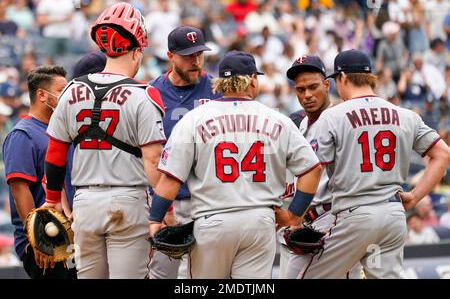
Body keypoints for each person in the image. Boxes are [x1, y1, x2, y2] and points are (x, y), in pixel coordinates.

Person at [149, 50, 322, 279]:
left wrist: (155, 219)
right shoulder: (277, 119)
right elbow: (312, 169)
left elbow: (170, 179)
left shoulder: (194, 118)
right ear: (252, 80)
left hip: (211, 222)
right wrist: (293, 215)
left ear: (221, 83)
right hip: (259, 222)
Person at [299, 49, 450, 279]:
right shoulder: (405, 114)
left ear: (343, 78)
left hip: (353, 215)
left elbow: (312, 168)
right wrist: (416, 195)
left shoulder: (332, 116)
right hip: (392, 216)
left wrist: (294, 216)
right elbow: (443, 155)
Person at [42, 2, 166, 279]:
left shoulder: (71, 90)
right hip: (128, 200)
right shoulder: (144, 94)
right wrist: (163, 210)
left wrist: (51, 200)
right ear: (138, 51)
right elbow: (154, 161)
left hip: (85, 201)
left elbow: (55, 151)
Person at [148, 25, 221, 279]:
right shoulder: (151, 94)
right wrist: (161, 207)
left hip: (209, 202)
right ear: (170, 56)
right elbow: (146, 154)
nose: (196, 61)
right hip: (167, 200)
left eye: (199, 54)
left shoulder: (216, 91)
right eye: (188, 55)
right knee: (162, 274)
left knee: (205, 276)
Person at [279, 55, 361, 279]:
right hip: (307, 221)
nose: (307, 95)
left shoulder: (342, 119)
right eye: (300, 89)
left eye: (313, 87)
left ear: (327, 85)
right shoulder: (301, 124)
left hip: (334, 217)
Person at [2, 65, 77, 279]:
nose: (68, 96)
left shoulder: (64, 131)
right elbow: (19, 190)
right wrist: (37, 239)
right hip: (45, 241)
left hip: (68, 234)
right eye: (62, 90)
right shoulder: (22, 134)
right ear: (42, 95)